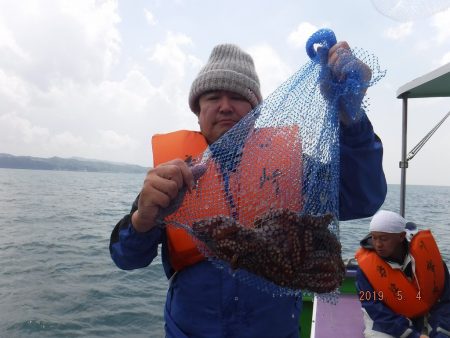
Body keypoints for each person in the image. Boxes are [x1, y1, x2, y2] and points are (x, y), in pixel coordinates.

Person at [110, 41, 387, 338]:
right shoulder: (170, 178)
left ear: (256, 110)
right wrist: (141, 221)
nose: (225, 106)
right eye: (213, 97)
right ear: (198, 111)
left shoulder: (295, 168)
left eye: (238, 97)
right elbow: (127, 258)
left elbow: (362, 198)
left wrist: (351, 120)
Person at [355, 210, 450, 338]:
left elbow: (445, 302)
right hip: (386, 323)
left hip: (425, 316)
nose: (378, 244)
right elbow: (374, 308)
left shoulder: (430, 261)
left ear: (401, 236)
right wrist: (412, 335)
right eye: (374, 237)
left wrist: (439, 332)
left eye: (384, 239)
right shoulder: (365, 270)